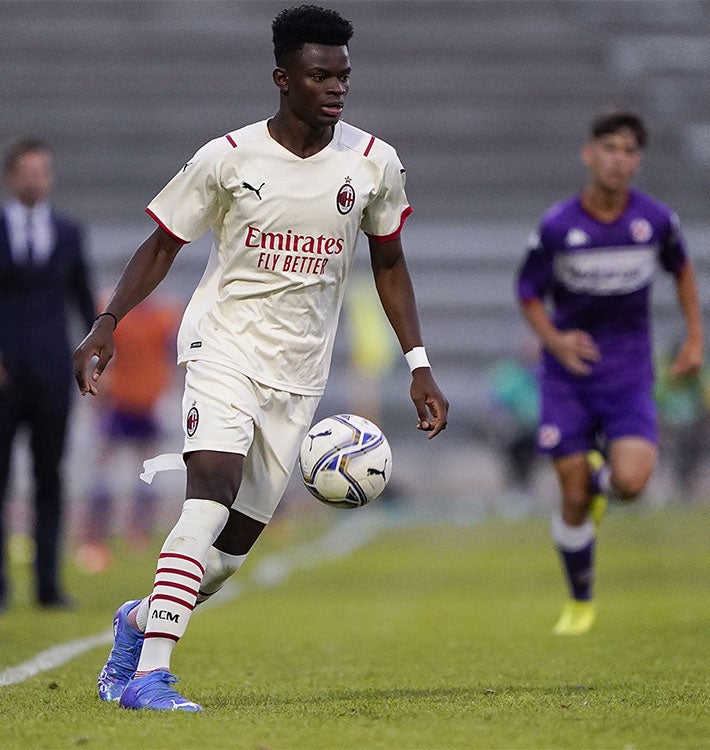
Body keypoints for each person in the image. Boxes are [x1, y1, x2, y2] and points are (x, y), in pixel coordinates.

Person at [73, 5, 448, 712]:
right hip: (223, 347)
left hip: (298, 375)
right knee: (208, 489)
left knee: (228, 553)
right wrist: (107, 322)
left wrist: (418, 362)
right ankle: (150, 679)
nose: (336, 89)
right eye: (320, 76)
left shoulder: (372, 164)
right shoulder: (228, 157)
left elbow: (390, 263)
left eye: (343, 76)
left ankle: (137, 620)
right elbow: (162, 245)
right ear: (283, 78)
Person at [516, 110, 704, 636]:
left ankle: (602, 481)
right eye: (609, 148)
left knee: (632, 482)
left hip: (627, 375)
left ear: (636, 160)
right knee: (572, 496)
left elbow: (682, 271)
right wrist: (554, 339)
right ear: (589, 154)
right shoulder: (558, 226)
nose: (618, 160)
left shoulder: (655, 221)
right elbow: (527, 291)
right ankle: (580, 603)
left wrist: (694, 337)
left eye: (628, 151)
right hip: (567, 376)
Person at [0, 138, 96, 611]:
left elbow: (83, 298)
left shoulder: (68, 231)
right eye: (28, 171)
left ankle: (47, 586)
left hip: (52, 374)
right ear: (10, 177)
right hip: (2, 375)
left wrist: (93, 353)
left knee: (49, 478)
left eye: (43, 171)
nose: (36, 179)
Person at [75, 295, 181, 573]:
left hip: (147, 399)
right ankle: (96, 534)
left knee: (144, 468)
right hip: (119, 399)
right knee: (105, 468)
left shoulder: (162, 317)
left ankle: (138, 531)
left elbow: (170, 356)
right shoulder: (113, 315)